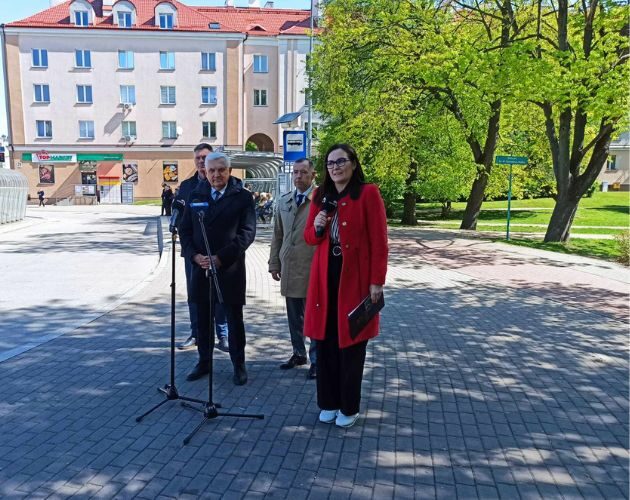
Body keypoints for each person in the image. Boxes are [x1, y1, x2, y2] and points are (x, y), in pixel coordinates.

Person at [304, 143, 388, 428]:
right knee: (325, 341)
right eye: (330, 163)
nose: (336, 167)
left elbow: (379, 241)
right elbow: (310, 239)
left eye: (341, 161)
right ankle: (328, 402)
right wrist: (317, 225)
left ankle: (349, 407)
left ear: (353, 163)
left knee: (351, 343)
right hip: (325, 274)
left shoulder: (368, 193)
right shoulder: (319, 196)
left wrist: (377, 281)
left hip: (355, 278)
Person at [179, 152, 256, 386]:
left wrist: (221, 258)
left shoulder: (242, 197)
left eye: (221, 170)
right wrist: (195, 256)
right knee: (203, 320)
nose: (216, 174)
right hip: (200, 268)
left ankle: (238, 364)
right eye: (211, 170)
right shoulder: (195, 195)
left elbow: (247, 233)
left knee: (234, 320)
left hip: (229, 268)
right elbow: (185, 231)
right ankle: (204, 362)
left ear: (230, 171)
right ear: (205, 171)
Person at [174, 144, 229, 353]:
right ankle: (197, 332)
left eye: (204, 157)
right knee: (195, 294)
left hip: (217, 253)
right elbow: (183, 222)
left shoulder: (221, 184)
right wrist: (192, 252)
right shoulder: (187, 186)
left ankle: (222, 334)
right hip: (194, 254)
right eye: (197, 157)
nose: (200, 161)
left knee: (220, 293)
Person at [268, 158, 318, 379]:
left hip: (313, 269)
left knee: (314, 318)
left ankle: (317, 360)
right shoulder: (284, 201)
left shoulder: (321, 201)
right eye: (295, 172)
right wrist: (273, 263)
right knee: (294, 317)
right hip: (289, 267)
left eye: (303, 172)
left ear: (313, 175)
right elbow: (277, 235)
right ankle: (299, 353)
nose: (298, 176)